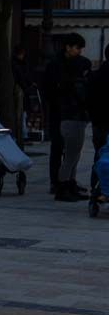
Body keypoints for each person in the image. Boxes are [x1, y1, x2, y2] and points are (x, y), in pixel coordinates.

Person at [47, 33, 92, 202]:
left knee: (72, 152)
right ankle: (59, 183)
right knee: (59, 147)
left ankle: (68, 182)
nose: (79, 51)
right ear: (68, 47)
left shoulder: (78, 64)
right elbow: (51, 90)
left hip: (72, 112)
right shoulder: (55, 66)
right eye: (77, 48)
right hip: (62, 112)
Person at [88, 47, 109, 203]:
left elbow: (89, 99)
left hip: (98, 122)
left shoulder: (96, 75)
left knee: (100, 156)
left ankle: (96, 188)